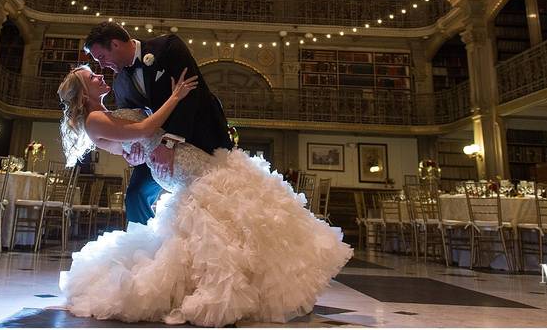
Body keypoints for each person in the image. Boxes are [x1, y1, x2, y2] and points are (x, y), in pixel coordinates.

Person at [56, 65, 353, 327]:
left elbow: (131, 151)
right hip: (175, 166)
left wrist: (134, 150)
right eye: (91, 76)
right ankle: (219, 285)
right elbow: (146, 127)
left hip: (176, 158)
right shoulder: (95, 120)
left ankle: (228, 278)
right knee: (217, 210)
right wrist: (176, 96)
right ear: (83, 95)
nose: (99, 74)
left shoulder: (108, 111)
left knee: (219, 212)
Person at [83, 21, 232, 224]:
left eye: (101, 57)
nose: (101, 65)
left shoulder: (168, 47)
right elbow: (133, 123)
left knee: (221, 192)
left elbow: (191, 92)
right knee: (136, 194)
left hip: (200, 130)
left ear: (115, 44)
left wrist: (169, 142)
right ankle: (146, 247)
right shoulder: (119, 84)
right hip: (155, 147)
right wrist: (133, 153)